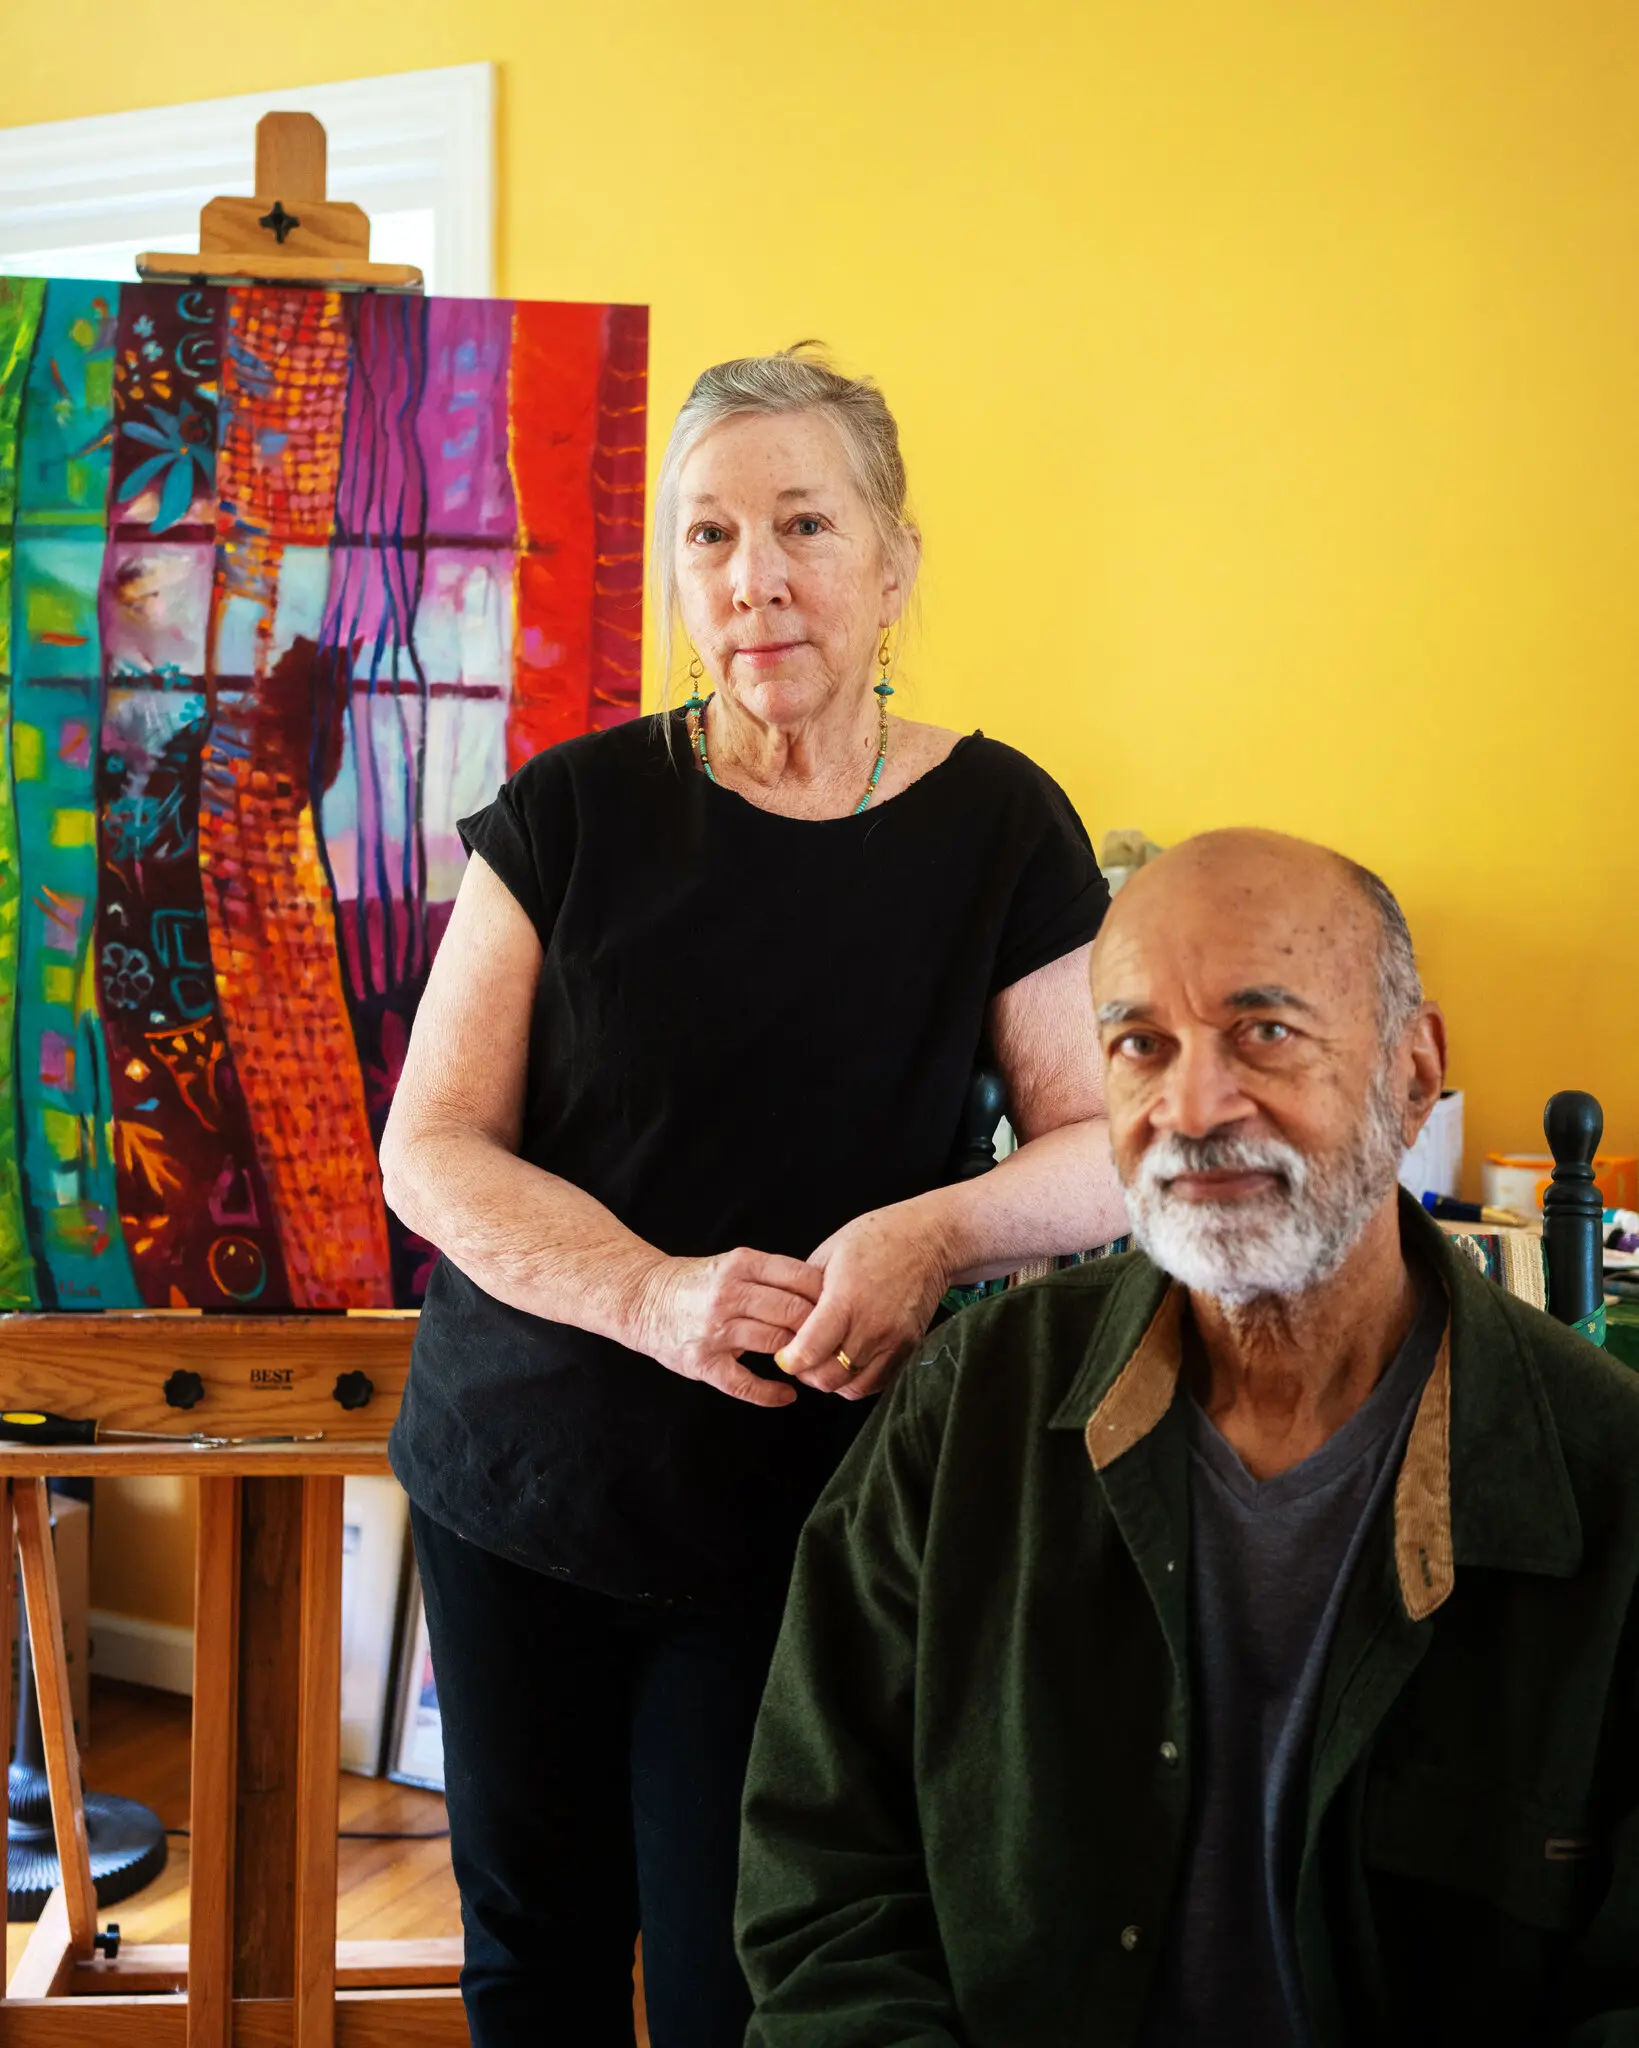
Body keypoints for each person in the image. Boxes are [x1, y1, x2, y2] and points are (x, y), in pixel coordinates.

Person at [379, 347, 1129, 2047]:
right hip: (521, 1478)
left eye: (802, 523)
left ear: (893, 560)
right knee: (533, 1960)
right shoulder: (568, 810)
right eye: (707, 533)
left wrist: (933, 1229)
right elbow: (429, 1144)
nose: (752, 576)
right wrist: (647, 1293)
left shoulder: (999, 825)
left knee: (751, 1976)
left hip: (806, 1517)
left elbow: (1103, 1142)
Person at [738, 828, 1639, 2048]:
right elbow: (822, 1883)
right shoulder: (970, 1409)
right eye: (1138, 1044)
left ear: (1413, 1068)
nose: (1191, 1107)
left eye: (1263, 1030)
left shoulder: (1605, 1474)